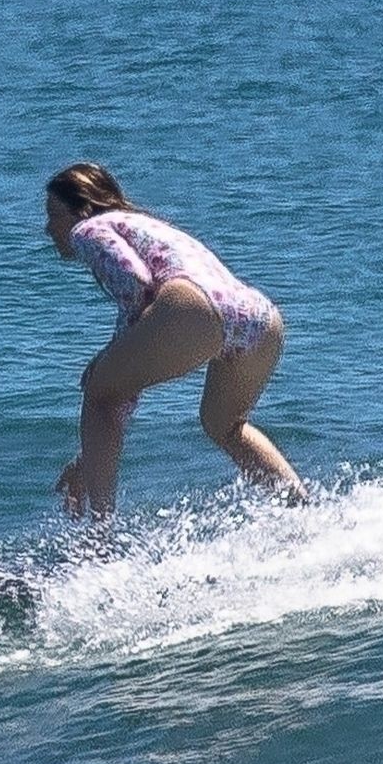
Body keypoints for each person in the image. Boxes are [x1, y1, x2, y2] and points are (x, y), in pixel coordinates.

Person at [45, 162, 304, 516]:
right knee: (225, 426)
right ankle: (303, 512)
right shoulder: (147, 225)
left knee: (98, 392)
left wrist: (109, 357)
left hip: (195, 307)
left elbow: (135, 283)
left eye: (53, 215)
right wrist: (91, 455)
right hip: (258, 318)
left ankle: (98, 536)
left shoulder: (87, 229)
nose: (48, 229)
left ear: (84, 208)